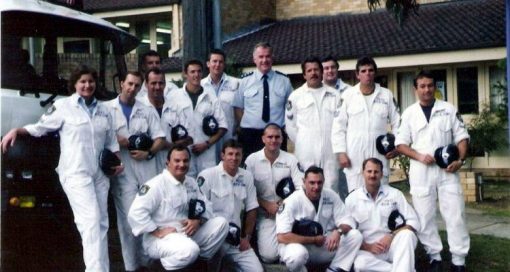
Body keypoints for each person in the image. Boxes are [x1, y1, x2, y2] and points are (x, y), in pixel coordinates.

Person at [1, 65, 123, 272]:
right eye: (82, 81)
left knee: (101, 224)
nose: (87, 85)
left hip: (100, 175)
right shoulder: (63, 107)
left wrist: (117, 163)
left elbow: (111, 142)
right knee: (91, 222)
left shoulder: (104, 110)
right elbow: (40, 128)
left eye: (91, 81)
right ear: (74, 84)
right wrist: (17, 131)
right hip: (75, 173)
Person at [396, 70, 470, 272]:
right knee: (424, 216)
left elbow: (462, 138)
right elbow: (400, 144)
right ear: (415, 89)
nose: (427, 89)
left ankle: (458, 260)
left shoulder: (448, 109)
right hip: (421, 171)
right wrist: (419, 156)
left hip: (448, 171)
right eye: (422, 86)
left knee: (455, 214)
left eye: (430, 85)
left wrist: (460, 160)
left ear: (435, 87)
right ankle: (434, 257)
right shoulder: (409, 113)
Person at [128, 145, 229, 271]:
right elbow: (135, 213)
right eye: (177, 161)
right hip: (161, 238)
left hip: (186, 233)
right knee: (190, 250)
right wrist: (156, 231)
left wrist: (198, 220)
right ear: (167, 163)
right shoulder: (156, 185)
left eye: (185, 161)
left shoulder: (191, 183)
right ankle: (159, 268)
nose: (181, 164)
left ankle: (198, 264)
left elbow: (206, 206)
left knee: (222, 224)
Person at [106, 71, 166, 271]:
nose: (132, 89)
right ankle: (131, 266)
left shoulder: (146, 110)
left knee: (149, 213)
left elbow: (160, 138)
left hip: (146, 168)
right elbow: (101, 138)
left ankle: (147, 262)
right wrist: (119, 141)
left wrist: (148, 152)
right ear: (122, 83)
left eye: (137, 86)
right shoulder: (107, 109)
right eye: (129, 84)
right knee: (128, 220)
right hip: (123, 170)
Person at [331, 56, 400, 193]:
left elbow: (398, 123)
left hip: (379, 155)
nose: (367, 74)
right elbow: (338, 126)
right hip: (354, 157)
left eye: (370, 70)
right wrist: (341, 153)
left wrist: (397, 147)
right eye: (363, 71)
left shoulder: (386, 95)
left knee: (382, 196)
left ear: (375, 73)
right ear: (357, 74)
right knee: (356, 198)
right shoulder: (348, 95)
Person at [276, 166, 363, 272]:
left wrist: (338, 232)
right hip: (300, 246)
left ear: (324, 181)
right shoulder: (291, 201)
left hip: (324, 244)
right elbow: (282, 237)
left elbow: (348, 220)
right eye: (312, 183)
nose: (316, 187)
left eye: (319, 182)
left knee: (355, 235)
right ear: (304, 182)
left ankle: (334, 269)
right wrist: (313, 240)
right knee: (296, 256)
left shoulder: (330, 195)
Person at [342, 158, 420, 272]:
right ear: (362, 172)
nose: (372, 175)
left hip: (393, 246)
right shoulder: (352, 199)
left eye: (376, 172)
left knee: (407, 235)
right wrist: (368, 247)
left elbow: (413, 221)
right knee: (360, 264)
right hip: (368, 250)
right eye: (369, 171)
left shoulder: (395, 194)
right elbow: (348, 233)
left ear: (382, 174)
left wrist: (391, 236)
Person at [198, 140, 264, 272]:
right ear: (222, 155)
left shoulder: (246, 176)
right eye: (230, 154)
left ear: (242, 156)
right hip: (214, 240)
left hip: (236, 240)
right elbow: (199, 211)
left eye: (237, 154)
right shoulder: (207, 175)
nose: (234, 158)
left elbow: (252, 208)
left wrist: (247, 237)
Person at [244, 123, 303, 263]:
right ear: (263, 138)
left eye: (277, 137)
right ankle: (285, 250)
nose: (273, 140)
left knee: (290, 252)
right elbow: (246, 192)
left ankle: (288, 253)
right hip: (265, 214)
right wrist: (266, 204)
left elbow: (301, 188)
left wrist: (283, 204)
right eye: (270, 137)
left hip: (287, 212)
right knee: (269, 257)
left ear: (282, 139)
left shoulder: (291, 160)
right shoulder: (252, 160)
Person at [286, 57, 341, 192]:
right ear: (304, 74)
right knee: (305, 188)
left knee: (331, 187)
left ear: (322, 72)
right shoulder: (295, 96)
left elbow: (340, 124)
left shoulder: (334, 95)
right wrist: (303, 142)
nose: (313, 73)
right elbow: (290, 127)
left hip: (330, 152)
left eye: (316, 69)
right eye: (309, 70)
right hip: (306, 152)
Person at [233, 42, 293, 160]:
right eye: (261, 57)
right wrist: (245, 126)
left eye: (267, 56)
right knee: (249, 172)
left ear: (272, 58)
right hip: (250, 136)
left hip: (276, 136)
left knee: (279, 170)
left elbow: (291, 107)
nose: (264, 60)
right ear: (254, 59)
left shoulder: (284, 81)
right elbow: (238, 108)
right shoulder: (245, 81)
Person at [170, 59, 227, 177]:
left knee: (206, 186)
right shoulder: (175, 96)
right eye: (192, 72)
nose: (196, 75)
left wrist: (206, 144)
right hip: (183, 153)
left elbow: (223, 126)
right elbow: (169, 125)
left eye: (199, 71)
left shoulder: (210, 96)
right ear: (185, 74)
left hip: (206, 152)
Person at [141, 67, 194, 173]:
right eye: (153, 83)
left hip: (172, 166)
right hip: (145, 166)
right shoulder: (139, 107)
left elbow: (190, 139)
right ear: (146, 85)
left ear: (165, 84)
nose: (157, 87)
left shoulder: (176, 107)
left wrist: (166, 145)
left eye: (161, 83)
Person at [321, 55, 351, 200]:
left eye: (332, 67)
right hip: (326, 147)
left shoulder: (350, 91)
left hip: (348, 146)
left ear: (337, 69)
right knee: (329, 187)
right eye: (326, 68)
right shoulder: (318, 91)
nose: (329, 71)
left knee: (348, 187)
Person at [201, 49, 240, 150]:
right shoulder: (200, 86)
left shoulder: (236, 84)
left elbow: (241, 109)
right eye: (214, 61)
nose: (217, 65)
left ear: (224, 64)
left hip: (230, 136)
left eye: (220, 62)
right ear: (208, 64)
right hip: (207, 138)